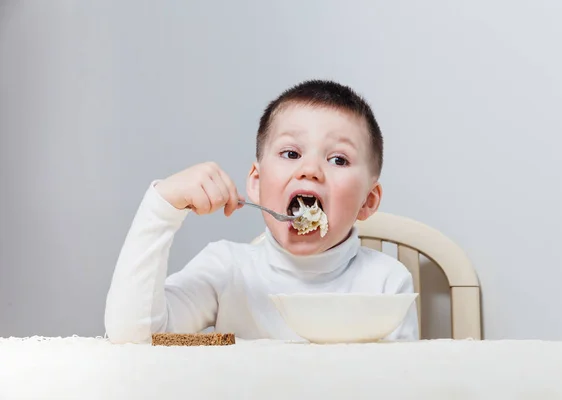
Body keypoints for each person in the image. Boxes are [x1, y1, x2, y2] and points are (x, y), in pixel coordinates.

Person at [104, 80, 419, 343]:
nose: (310, 169)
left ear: (368, 201)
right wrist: (161, 208)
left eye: (338, 159)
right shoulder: (228, 269)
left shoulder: (387, 283)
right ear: (256, 183)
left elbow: (399, 381)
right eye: (291, 153)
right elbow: (135, 338)